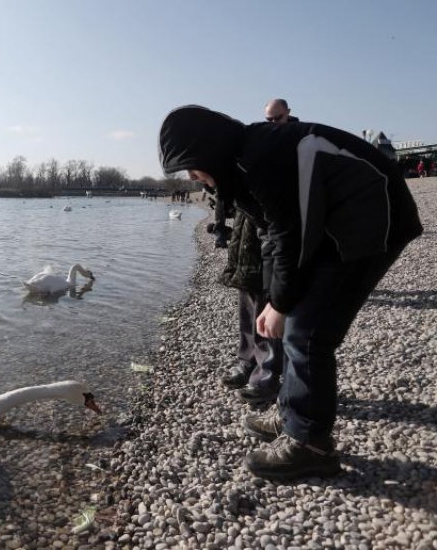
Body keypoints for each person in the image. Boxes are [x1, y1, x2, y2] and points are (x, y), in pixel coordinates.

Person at [158, 105, 422, 479]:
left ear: (209, 150)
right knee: (297, 318)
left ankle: (311, 444)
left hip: (371, 221)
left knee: (308, 333)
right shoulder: (240, 166)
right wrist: (272, 298)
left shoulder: (262, 158)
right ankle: (292, 414)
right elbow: (270, 235)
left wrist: (281, 304)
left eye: (192, 165)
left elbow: (292, 236)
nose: (193, 176)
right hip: (334, 223)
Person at [220, 99, 297, 400]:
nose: (272, 123)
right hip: (246, 236)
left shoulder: (294, 143)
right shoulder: (260, 145)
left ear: (288, 114)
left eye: (276, 118)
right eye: (267, 119)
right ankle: (246, 360)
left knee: (268, 308)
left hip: (271, 237)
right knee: (247, 302)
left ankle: (267, 375)